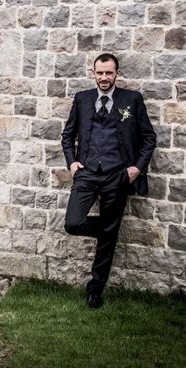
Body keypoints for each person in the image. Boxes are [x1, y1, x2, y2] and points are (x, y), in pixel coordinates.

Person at [61, 53, 156, 309]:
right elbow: (67, 135)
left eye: (109, 73)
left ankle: (95, 290)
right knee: (73, 223)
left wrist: (136, 168)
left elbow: (149, 137)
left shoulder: (131, 100)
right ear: (93, 73)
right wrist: (72, 162)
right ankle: (108, 229)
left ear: (117, 73)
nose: (104, 78)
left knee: (107, 241)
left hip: (118, 175)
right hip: (87, 173)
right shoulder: (82, 99)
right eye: (100, 73)